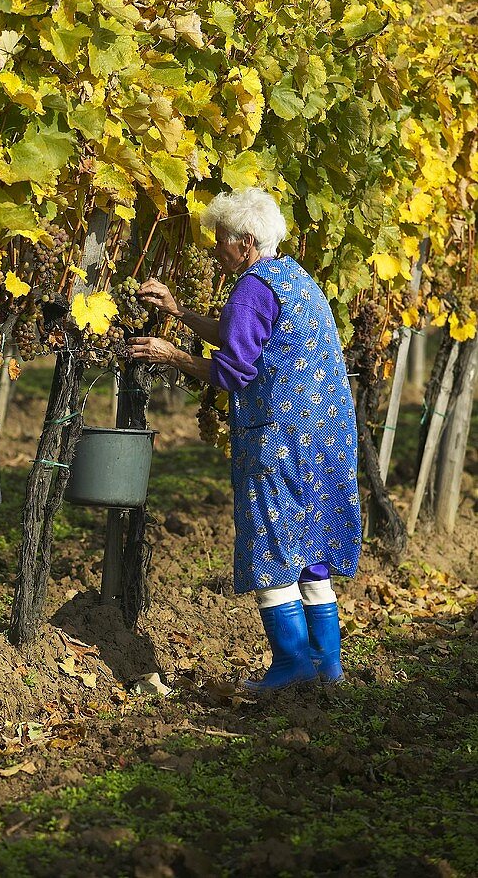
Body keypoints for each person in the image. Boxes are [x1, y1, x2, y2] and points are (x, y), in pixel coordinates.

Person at [128, 188, 361, 691]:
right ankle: (326, 667)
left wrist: (172, 355)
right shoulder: (292, 277)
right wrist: (181, 313)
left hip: (280, 436)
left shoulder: (252, 286)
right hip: (323, 435)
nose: (215, 250)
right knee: (308, 547)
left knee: (273, 545)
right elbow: (244, 337)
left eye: (221, 241)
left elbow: (233, 370)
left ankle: (291, 664)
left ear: (246, 242)